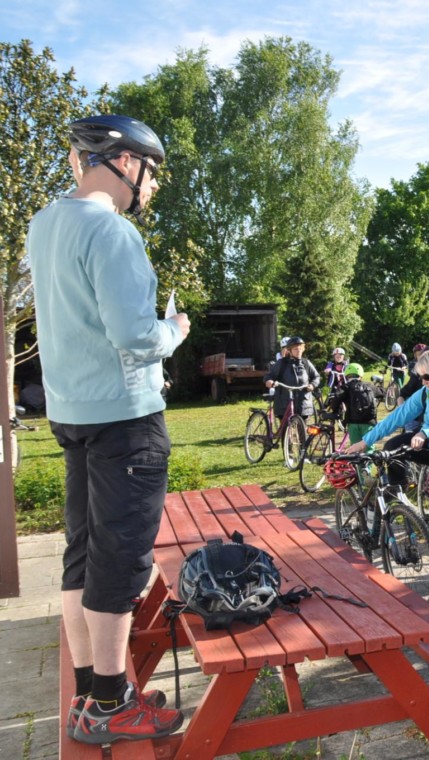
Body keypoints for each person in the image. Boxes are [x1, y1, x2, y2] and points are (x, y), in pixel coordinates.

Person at [27, 113, 188, 743]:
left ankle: (92, 688)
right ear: (126, 162)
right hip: (124, 420)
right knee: (121, 563)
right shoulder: (111, 231)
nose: (151, 187)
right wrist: (172, 334)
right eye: (151, 174)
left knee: (83, 554)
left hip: (73, 414)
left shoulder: (46, 223)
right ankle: (112, 705)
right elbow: (132, 335)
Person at [346, 349, 429, 593]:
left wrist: (426, 431)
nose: (423, 383)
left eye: (426, 378)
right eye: (420, 379)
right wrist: (363, 442)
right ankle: (399, 494)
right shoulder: (428, 392)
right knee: (393, 446)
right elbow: (397, 417)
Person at [264, 336, 319, 427]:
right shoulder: (282, 363)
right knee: (285, 429)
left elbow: (316, 377)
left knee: (303, 431)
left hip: (303, 403)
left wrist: (312, 385)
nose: (298, 351)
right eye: (295, 349)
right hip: (284, 402)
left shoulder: (306, 363)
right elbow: (269, 376)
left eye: (300, 348)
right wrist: (269, 381)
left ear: (303, 349)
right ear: (289, 350)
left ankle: (302, 441)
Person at [323, 363, 376, 445]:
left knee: (355, 447)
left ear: (347, 376)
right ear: (361, 376)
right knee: (369, 447)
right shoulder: (370, 386)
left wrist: (335, 410)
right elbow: (382, 393)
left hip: (353, 422)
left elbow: (337, 397)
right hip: (369, 422)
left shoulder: (346, 387)